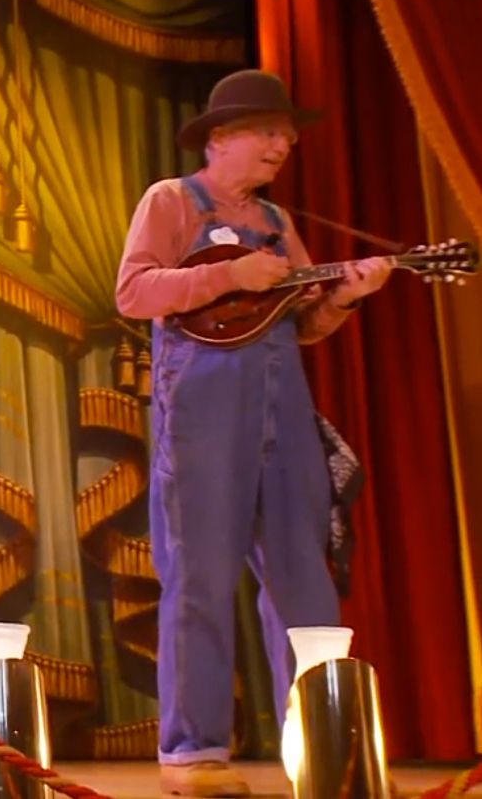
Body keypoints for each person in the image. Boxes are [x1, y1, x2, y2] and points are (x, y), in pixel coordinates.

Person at [115, 69, 391, 797]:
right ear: (219, 138)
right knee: (200, 576)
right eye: (269, 132)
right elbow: (133, 290)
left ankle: (324, 747)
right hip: (202, 411)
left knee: (304, 579)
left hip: (283, 410)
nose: (283, 145)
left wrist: (345, 298)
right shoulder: (172, 201)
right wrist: (230, 273)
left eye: (287, 136)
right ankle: (193, 753)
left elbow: (300, 324)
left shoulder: (275, 218)